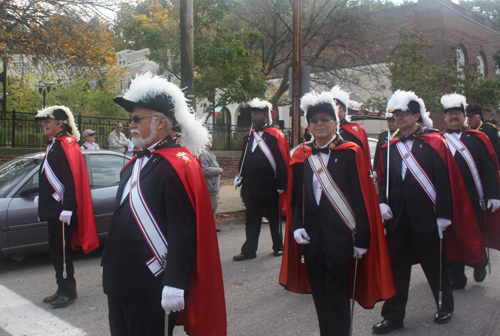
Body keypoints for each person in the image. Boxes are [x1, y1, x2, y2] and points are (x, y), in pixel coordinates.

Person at [102, 72, 226, 336]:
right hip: (120, 281)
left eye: (137, 118)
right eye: (131, 118)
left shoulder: (177, 165)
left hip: (152, 284)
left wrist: (175, 283)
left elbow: (184, 231)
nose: (131, 124)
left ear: (160, 123)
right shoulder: (135, 163)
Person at [279, 91, 394, 335]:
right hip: (312, 238)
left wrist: (362, 239)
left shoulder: (351, 151)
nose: (319, 123)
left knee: (337, 295)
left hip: (342, 237)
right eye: (314, 120)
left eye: (325, 119)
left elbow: (362, 197)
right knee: (320, 296)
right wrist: (297, 226)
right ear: (308, 125)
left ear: (335, 122)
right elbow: (297, 197)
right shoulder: (301, 155)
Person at [373, 90, 455, 334]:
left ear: (416, 116)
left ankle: (444, 305)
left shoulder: (434, 142)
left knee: (435, 265)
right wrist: (382, 201)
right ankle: (393, 316)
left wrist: (443, 214)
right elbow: (384, 181)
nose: (398, 117)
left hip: (427, 217)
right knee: (397, 269)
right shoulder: (390, 146)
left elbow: (444, 181)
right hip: (398, 219)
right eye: (396, 113)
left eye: (404, 113)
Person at [34, 106, 99, 308]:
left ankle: (68, 291)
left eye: (48, 121)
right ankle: (62, 287)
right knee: (56, 250)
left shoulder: (67, 144)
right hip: (54, 207)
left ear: (60, 123)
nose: (44, 125)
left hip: (62, 210)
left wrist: (68, 208)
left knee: (61, 251)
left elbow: (72, 179)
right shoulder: (55, 144)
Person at [440, 93, 500, 289]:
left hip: (474, 198)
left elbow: (489, 167)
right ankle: (456, 277)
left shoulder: (478, 138)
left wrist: (493, 195)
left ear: (464, 116)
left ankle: (479, 262)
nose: (454, 116)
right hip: (449, 199)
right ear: (445, 117)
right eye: (450, 114)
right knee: (452, 239)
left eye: (457, 113)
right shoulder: (438, 140)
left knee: (475, 235)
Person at [233, 98, 290, 261]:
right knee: (251, 221)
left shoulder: (276, 136)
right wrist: (240, 176)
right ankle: (249, 250)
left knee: (274, 218)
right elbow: (244, 159)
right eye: (254, 114)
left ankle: (278, 246)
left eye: (259, 114)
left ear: (267, 116)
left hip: (271, 185)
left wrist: (281, 184)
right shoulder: (248, 137)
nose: (255, 117)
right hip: (250, 186)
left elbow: (281, 161)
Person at [330, 86, 372, 171]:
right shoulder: (325, 130)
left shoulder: (356, 131)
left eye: (338, 107)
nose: (335, 110)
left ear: (345, 110)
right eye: (333, 107)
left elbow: (362, 159)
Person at [200, 133, 223, 231]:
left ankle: (210, 227)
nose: (212, 141)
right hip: (210, 186)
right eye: (210, 139)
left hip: (212, 186)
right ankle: (209, 229)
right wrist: (219, 170)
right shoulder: (204, 153)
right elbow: (204, 170)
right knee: (210, 209)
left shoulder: (207, 152)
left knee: (212, 208)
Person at [373, 112, 400, 178]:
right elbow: (377, 153)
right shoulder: (382, 135)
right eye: (389, 121)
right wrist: (375, 169)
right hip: (383, 167)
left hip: (397, 169)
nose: (391, 123)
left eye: (393, 121)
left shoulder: (402, 135)